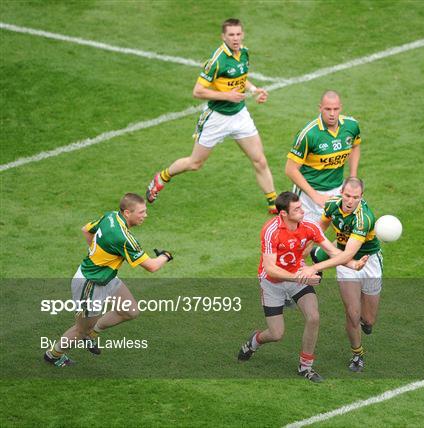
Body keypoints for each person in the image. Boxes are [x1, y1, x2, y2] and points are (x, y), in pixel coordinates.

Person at [146, 18, 278, 214]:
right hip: (216, 117)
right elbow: (197, 91)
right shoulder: (217, 61)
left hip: (240, 115)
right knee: (195, 163)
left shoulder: (244, 52)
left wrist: (253, 90)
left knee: (259, 160)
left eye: (238, 34)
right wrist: (227, 96)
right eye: (231, 35)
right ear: (223, 37)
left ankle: (273, 203)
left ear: (243, 34)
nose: (235, 38)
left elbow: (240, 77)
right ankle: (162, 177)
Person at [237, 191, 368, 383]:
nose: (303, 211)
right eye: (297, 209)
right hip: (272, 283)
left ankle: (305, 367)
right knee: (276, 334)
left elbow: (332, 252)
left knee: (313, 317)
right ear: (283, 213)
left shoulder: (309, 227)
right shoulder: (270, 231)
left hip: (298, 277)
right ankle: (254, 342)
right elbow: (270, 268)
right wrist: (301, 277)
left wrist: (354, 264)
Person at [44, 193, 173, 367]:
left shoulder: (111, 216)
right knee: (81, 330)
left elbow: (86, 229)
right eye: (141, 212)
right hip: (90, 284)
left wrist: (99, 255)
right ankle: (53, 355)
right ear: (127, 213)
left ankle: (93, 333)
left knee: (130, 311)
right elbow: (152, 266)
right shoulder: (124, 238)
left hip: (106, 277)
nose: (145, 215)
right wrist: (166, 256)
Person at [310, 177, 382, 372]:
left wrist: (317, 267)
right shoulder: (332, 205)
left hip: (368, 263)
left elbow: (350, 255)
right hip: (344, 261)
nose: (350, 201)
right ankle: (357, 354)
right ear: (341, 192)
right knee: (352, 313)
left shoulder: (363, 218)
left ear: (362, 197)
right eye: (347, 195)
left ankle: (365, 322)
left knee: (368, 320)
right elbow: (319, 229)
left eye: (355, 197)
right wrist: (304, 252)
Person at [285, 90, 361, 222]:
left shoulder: (351, 126)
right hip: (309, 194)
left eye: (336, 109)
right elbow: (290, 170)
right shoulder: (309, 135)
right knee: (305, 238)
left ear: (341, 108)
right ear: (320, 108)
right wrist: (315, 196)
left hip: (338, 189)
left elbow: (355, 146)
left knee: (347, 230)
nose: (332, 114)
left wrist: (352, 177)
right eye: (328, 109)